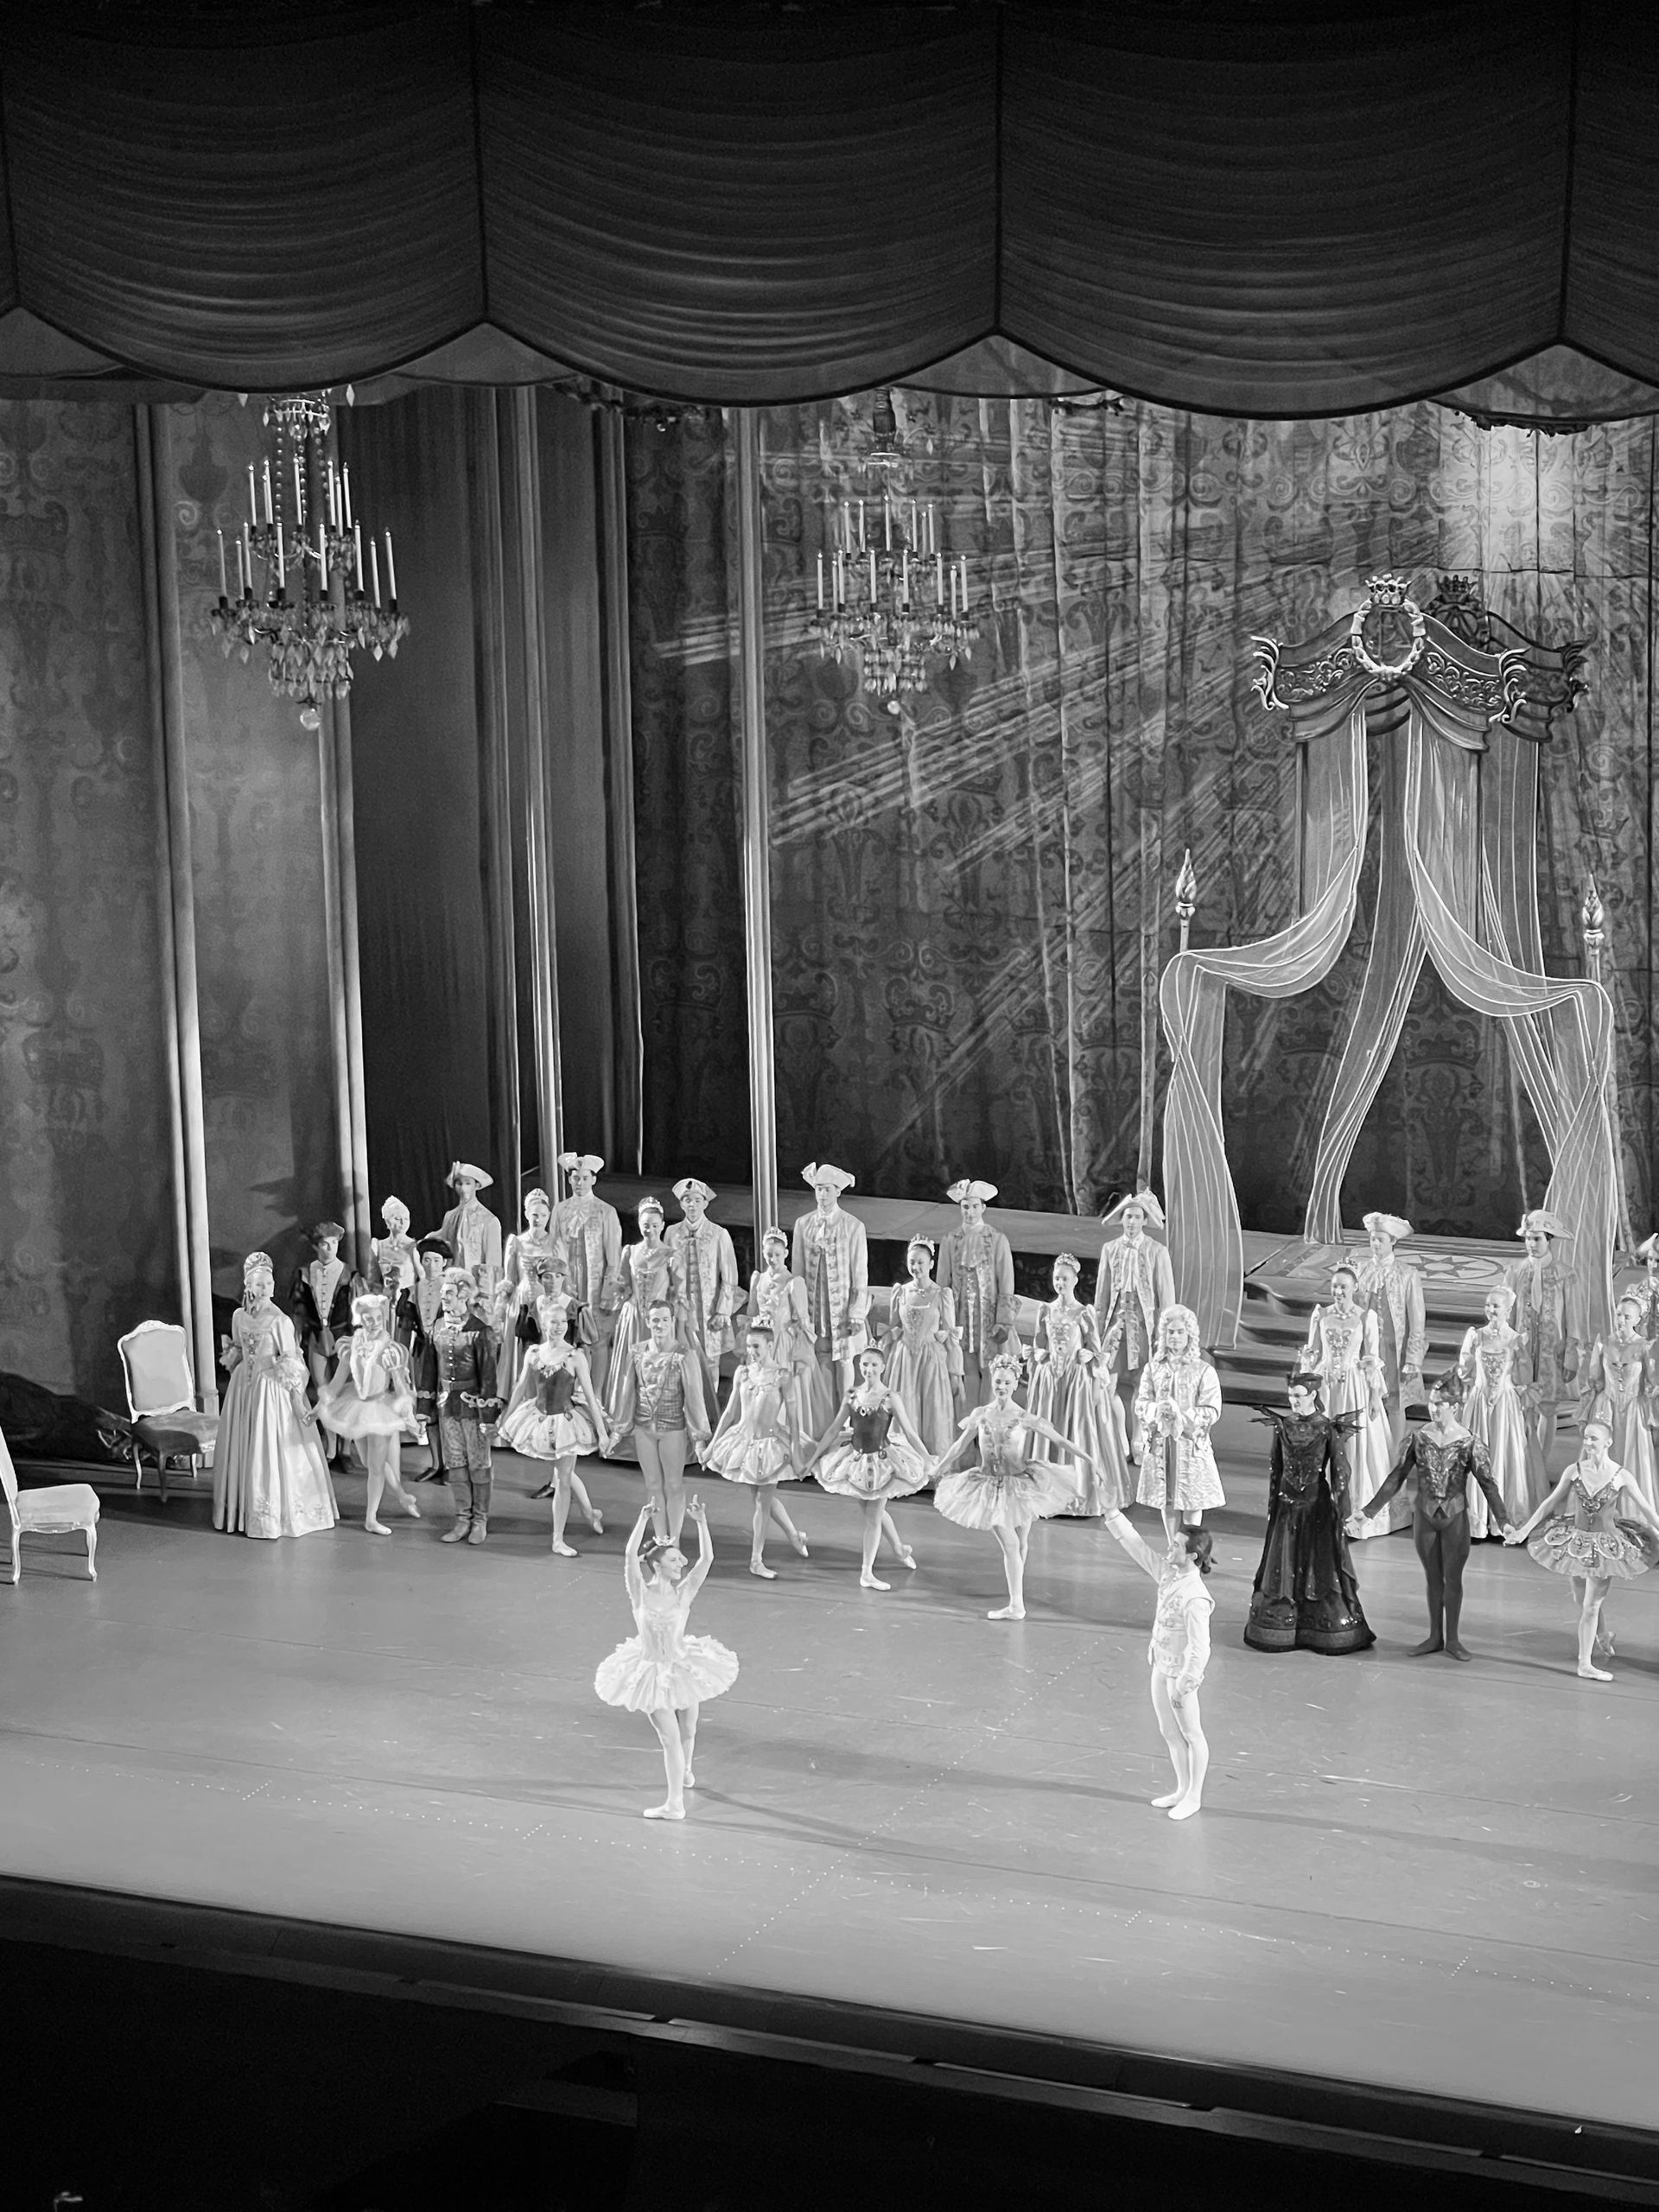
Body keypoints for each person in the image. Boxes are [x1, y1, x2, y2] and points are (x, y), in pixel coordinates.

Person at [594, 1497, 738, 1821]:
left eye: (679, 1559)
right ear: (657, 1565)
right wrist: (642, 1519)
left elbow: (707, 1559)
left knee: (689, 1729)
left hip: (683, 1665)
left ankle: (685, 1771)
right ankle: (674, 1804)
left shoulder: (683, 1592)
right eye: (673, 1560)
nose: (680, 1564)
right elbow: (629, 1556)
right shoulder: (640, 1593)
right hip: (651, 1673)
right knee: (670, 1739)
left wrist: (701, 1523)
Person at [1357, 1374, 1513, 1659]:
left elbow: (1488, 1485)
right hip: (1425, 1517)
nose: (1433, 1408)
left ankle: (1452, 1639)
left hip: (1455, 1518)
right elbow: (1396, 1478)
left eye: (1439, 1403)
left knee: (1453, 1578)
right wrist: (1368, 1512)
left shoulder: (1469, 1442)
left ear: (1455, 1406)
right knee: (1432, 1578)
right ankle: (1434, 1636)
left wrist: (1503, 1522)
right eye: (1432, 1402)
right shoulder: (1418, 1438)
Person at [931, 1351, 1091, 1619]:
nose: (1001, 1387)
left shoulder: (1024, 1417)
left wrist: (1089, 1460)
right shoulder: (981, 1414)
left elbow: (1060, 1441)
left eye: (1007, 1382)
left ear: (1016, 1384)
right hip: (987, 1486)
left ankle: (1016, 1598)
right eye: (998, 1381)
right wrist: (939, 1467)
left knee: (1021, 1542)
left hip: (1020, 1484)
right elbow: (960, 1446)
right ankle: (1016, 1603)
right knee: (1011, 1544)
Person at [1506, 1415, 1659, 1681]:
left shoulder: (1621, 1476)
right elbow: (1548, 1504)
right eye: (1586, 1437)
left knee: (1591, 1605)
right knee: (1582, 1600)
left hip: (1605, 1547)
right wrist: (1523, 1531)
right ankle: (1602, 1635)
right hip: (1575, 1542)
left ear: (1608, 1442)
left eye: (1593, 1438)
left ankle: (1584, 1663)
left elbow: (1647, 1509)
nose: (1588, 1443)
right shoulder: (1574, 1470)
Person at [1243, 1374, 1372, 1653]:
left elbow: (1341, 1473)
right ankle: (1286, 1622)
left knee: (1318, 1562)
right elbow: (1276, 1468)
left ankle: (1318, 1623)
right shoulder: (1282, 1426)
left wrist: (1344, 1513)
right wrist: (1273, 1508)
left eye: (1299, 1396)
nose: (1293, 1401)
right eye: (1291, 1396)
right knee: (1285, 1561)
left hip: (1317, 1507)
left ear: (1313, 1395)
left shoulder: (1327, 1428)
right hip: (1286, 1508)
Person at [214, 1250, 339, 1540]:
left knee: (268, 1449)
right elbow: (237, 1348)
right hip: (243, 1390)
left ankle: (271, 1516)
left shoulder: (280, 1320)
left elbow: (291, 1361)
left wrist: (297, 1402)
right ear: (248, 1285)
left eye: (269, 1283)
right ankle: (241, 1509)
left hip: (270, 1390)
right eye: (259, 1284)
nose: (266, 1289)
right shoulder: (238, 1316)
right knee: (244, 1446)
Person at [1100, 1514, 1215, 1819]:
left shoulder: (1195, 1598)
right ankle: (1181, 1788)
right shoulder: (1168, 1574)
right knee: (1168, 1731)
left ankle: (1194, 1796)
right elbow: (1138, 1548)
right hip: (1161, 1664)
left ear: (1192, 1556)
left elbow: (1200, 1647)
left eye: (1176, 1545)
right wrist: (1113, 1515)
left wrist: (1186, 1683)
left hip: (1179, 1674)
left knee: (1192, 1733)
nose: (1169, 1548)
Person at [805, 1345, 932, 1590]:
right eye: (865, 1364)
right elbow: (833, 1429)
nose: (869, 1369)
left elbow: (909, 1432)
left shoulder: (890, 1398)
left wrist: (927, 1459)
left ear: (883, 1367)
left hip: (882, 1462)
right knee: (873, 1512)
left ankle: (867, 1572)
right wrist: (813, 1459)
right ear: (859, 1366)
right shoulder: (852, 1395)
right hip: (856, 1462)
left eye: (874, 1364)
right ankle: (898, 1549)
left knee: (873, 1517)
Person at [498, 1292, 613, 1555]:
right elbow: (520, 1387)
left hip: (567, 1422)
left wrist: (602, 1431)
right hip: (539, 1418)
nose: (559, 1326)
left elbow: (590, 1396)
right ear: (543, 1324)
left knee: (562, 1477)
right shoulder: (533, 1353)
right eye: (553, 1322)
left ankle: (558, 1539)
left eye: (563, 1322)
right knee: (565, 1473)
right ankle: (589, 1512)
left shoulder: (574, 1356)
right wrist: (506, 1418)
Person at [702, 1317, 810, 1578]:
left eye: (757, 1346)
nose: (751, 1351)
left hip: (770, 1445)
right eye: (749, 1346)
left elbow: (793, 1417)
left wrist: (796, 1454)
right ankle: (794, 1534)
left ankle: (756, 1560)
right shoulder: (743, 1373)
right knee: (762, 1499)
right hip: (744, 1443)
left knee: (763, 1501)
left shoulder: (782, 1376)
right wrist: (711, 1446)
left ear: (770, 1345)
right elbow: (730, 1413)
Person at [1302, 1262, 1399, 1537]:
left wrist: (1374, 1396)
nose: (1338, 1292)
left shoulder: (1365, 1317)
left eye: (1343, 1287)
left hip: (1353, 1387)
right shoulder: (1321, 1314)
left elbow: (1371, 1359)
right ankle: (1321, 1510)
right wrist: (1306, 1391)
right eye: (1335, 1287)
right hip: (1326, 1387)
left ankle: (1352, 1512)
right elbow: (1312, 1353)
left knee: (1354, 1445)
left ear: (1355, 1288)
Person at [607, 1299, 713, 1544]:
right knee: (653, 1485)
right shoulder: (636, 1352)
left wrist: (699, 1439)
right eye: (655, 1320)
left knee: (674, 1484)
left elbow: (695, 1399)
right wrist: (617, 1431)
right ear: (647, 1322)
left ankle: (674, 1541)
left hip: (672, 1428)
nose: (660, 1325)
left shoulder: (684, 1356)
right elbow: (627, 1393)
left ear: (673, 1321)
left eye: (665, 1319)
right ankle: (660, 1538)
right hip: (644, 1428)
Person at [315, 1290, 422, 1535]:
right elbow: (336, 1384)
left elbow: (401, 1387)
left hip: (381, 1408)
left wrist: (410, 1417)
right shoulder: (351, 1345)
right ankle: (402, 1495)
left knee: (375, 1467)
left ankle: (371, 1518)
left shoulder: (390, 1350)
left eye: (378, 1318)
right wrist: (317, 1408)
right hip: (357, 1406)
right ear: (360, 1319)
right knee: (368, 1462)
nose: (373, 1323)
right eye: (368, 1318)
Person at [1028, 1251, 1127, 1514]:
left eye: (1065, 1278)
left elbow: (1095, 1350)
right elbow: (1039, 1343)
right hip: (1051, 1380)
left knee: (1077, 1429)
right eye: (1057, 1278)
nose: (1060, 1283)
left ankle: (1078, 1494)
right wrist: (1040, 1357)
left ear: (1075, 1280)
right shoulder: (1046, 1310)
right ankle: (1046, 1491)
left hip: (1076, 1381)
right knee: (1049, 1427)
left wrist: (1089, 1357)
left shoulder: (1083, 1313)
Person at [414, 1265, 501, 1545]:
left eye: (449, 1293)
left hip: (473, 1408)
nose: (444, 1297)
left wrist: (489, 1417)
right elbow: (428, 1370)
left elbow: (489, 1377)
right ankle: (462, 1519)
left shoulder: (480, 1332)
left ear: (463, 1295)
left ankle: (480, 1520)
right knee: (455, 1462)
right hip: (446, 1406)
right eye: (443, 1293)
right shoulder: (437, 1328)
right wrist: (424, 1410)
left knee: (479, 1462)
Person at [1457, 1285, 1546, 1535]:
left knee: (1503, 1452)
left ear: (1508, 1309)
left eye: (1496, 1305)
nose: (1491, 1309)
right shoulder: (1476, 1336)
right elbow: (1465, 1372)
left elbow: (1523, 1377)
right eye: (1488, 1305)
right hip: (1478, 1404)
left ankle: (1502, 1520)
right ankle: (1476, 1519)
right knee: (1477, 1453)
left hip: (1505, 1405)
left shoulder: (1516, 1340)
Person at [1094, 1189, 1175, 1462]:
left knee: (1143, 1383)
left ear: (1144, 1220)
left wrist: (1165, 1334)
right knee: (1108, 1381)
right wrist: (1096, 1330)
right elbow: (1102, 1295)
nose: (1131, 1222)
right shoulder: (1110, 1249)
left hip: (1143, 1325)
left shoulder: (1157, 1251)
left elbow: (1166, 1298)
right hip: (1116, 1324)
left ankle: (1138, 1438)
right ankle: (1119, 1437)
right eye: (1128, 1216)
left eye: (1137, 1217)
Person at [791, 1163, 870, 1431]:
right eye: (818, 1189)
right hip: (816, 1305)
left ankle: (845, 1417)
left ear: (838, 1192)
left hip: (842, 1307)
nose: (822, 1195)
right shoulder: (804, 1224)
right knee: (821, 1355)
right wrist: (798, 1311)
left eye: (827, 1190)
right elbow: (798, 1273)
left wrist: (857, 1312)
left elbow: (860, 1273)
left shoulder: (852, 1226)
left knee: (845, 1358)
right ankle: (825, 1418)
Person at [1134, 1305, 1224, 1525]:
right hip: (1161, 1443)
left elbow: (1212, 1409)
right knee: (1167, 1500)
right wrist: (1157, 1410)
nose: (1174, 1337)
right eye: (1170, 1332)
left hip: (1190, 1443)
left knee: (1192, 1501)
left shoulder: (1203, 1370)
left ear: (1189, 1334)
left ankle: (1189, 1543)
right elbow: (1141, 1403)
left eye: (1180, 1332)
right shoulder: (1153, 1368)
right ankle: (1172, 1544)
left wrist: (1182, 1417)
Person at [606, 1197, 686, 1441]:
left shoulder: (671, 1255)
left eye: (653, 1225)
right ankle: (623, 1423)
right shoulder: (630, 1252)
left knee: (658, 1372)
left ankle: (657, 1423)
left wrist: (677, 1327)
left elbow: (678, 1295)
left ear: (662, 1225)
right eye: (645, 1225)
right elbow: (623, 1286)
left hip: (659, 1321)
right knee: (629, 1370)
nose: (649, 1229)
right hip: (634, 1319)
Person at [1506, 1209, 1581, 1466]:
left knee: (1548, 1407)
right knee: (1522, 1403)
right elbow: (1509, 1313)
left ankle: (1540, 1463)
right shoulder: (1515, 1272)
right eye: (1528, 1239)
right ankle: (1522, 1462)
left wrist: (1572, 1352)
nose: (1531, 1244)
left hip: (1552, 1349)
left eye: (1537, 1239)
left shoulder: (1565, 1274)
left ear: (1549, 1240)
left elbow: (1573, 1316)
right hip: (1523, 1351)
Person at [1351, 1211, 1427, 1453]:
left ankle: (1395, 1457)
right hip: (1367, 1349)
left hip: (1395, 1350)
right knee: (1366, 1399)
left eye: (1380, 1239)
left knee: (1395, 1403)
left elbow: (1417, 1319)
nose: (1375, 1244)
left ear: (1392, 1241)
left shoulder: (1407, 1274)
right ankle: (1371, 1456)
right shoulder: (1361, 1270)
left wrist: (1413, 1359)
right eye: (1372, 1239)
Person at [938, 1178, 1016, 1408]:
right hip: (961, 1315)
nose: (969, 1212)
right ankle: (970, 1419)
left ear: (983, 1207)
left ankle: (988, 1419)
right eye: (965, 1207)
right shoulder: (950, 1240)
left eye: (974, 1206)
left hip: (988, 1315)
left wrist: (1004, 1320)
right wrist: (943, 1319)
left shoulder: (997, 1240)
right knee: (967, 1367)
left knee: (990, 1366)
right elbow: (943, 1284)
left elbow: (1006, 1282)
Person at [882, 1234, 963, 1459]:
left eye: (920, 1262)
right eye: (912, 1262)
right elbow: (893, 1329)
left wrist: (955, 1372)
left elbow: (950, 1334)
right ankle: (904, 1461)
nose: (916, 1267)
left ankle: (932, 1462)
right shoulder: (900, 1292)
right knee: (904, 1408)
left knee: (932, 1409)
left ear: (931, 1264)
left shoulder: (942, 1294)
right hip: (904, 1359)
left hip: (931, 1359)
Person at [1577, 1294, 1659, 1513]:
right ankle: (1597, 1511)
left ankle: (1630, 1512)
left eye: (1627, 1316)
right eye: (1618, 1314)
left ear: (1638, 1319)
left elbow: (1652, 1382)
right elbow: (1595, 1380)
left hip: (1633, 1410)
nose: (1621, 1320)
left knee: (1633, 1459)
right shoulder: (1604, 1343)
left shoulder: (1645, 1347)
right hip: (1606, 1408)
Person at [551, 1152, 625, 1395]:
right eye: (575, 1178)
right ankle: (569, 1393)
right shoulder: (561, 1210)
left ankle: (597, 1395)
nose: (580, 1183)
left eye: (584, 1178)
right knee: (568, 1337)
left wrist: (608, 1291)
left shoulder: (606, 1211)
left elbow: (613, 1255)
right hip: (569, 1283)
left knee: (598, 1339)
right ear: (569, 1180)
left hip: (595, 1285)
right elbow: (555, 1248)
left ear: (593, 1179)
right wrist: (562, 1282)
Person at [665, 1178, 741, 1411]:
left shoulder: (718, 1234)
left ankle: (710, 1410)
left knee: (710, 1360)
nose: (692, 1205)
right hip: (681, 1309)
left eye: (697, 1201)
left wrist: (723, 1311)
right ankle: (684, 1408)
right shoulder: (672, 1233)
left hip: (709, 1308)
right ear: (681, 1204)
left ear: (705, 1203)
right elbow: (665, 1271)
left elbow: (729, 1276)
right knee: (681, 1356)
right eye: (687, 1201)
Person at [289, 1219, 361, 1459]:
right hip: (317, 1339)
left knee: (346, 1392)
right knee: (324, 1392)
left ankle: (346, 1449)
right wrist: (296, 1339)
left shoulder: (350, 1274)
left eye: (333, 1243)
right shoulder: (305, 1273)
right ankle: (331, 1447)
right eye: (324, 1244)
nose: (330, 1249)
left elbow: (359, 1311)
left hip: (344, 1338)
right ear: (315, 1246)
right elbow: (299, 1310)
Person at [496, 1185, 561, 1404]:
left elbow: (563, 1277)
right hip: (522, 1301)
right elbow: (510, 1279)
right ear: (526, 1214)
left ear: (548, 1215)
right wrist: (502, 1307)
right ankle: (521, 1398)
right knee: (522, 1350)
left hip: (547, 1303)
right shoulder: (517, 1242)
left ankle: (546, 1396)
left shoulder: (555, 1242)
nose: (538, 1219)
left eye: (542, 1215)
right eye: (534, 1215)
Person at [398, 1232, 451, 1476]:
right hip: (421, 1354)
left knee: (447, 1407)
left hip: (447, 1354)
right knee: (427, 1407)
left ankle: (451, 1464)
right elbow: (404, 1330)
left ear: (444, 1263)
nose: (431, 1265)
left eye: (436, 1260)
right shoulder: (411, 1292)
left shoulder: (452, 1289)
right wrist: (400, 1363)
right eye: (427, 1260)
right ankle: (436, 1463)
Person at [438, 1161, 505, 1300]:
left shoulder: (489, 1220)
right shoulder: (450, 1217)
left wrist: (485, 1295)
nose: (463, 1188)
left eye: (468, 1183)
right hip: (452, 1288)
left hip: (477, 1290)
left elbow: (493, 1264)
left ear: (476, 1185)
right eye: (459, 1183)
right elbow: (445, 1253)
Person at [366, 1197, 421, 1312]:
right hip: (384, 1303)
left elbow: (423, 1279)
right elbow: (372, 1280)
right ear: (387, 1222)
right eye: (397, 1218)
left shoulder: (415, 1246)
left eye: (406, 1218)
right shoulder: (377, 1246)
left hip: (408, 1304)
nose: (403, 1222)